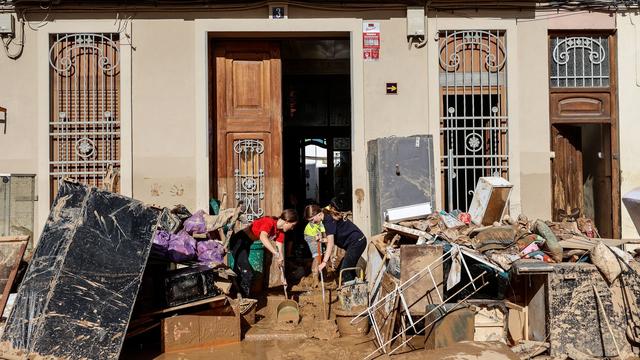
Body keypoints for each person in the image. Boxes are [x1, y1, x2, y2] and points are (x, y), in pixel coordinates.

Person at [229, 209, 298, 297]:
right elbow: (263, 237)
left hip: (247, 243)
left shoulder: (280, 232)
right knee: (247, 273)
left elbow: (279, 249)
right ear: (287, 221)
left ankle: (241, 297)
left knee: (245, 272)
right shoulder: (269, 222)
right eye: (292, 225)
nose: (292, 228)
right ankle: (243, 300)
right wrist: (275, 253)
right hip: (239, 241)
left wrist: (281, 265)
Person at [304, 204, 366, 283]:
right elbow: (332, 238)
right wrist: (322, 239)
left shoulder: (328, 221)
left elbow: (331, 243)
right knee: (347, 269)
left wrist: (324, 262)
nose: (312, 222)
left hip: (357, 242)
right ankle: (355, 287)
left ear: (319, 214)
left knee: (345, 270)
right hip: (354, 243)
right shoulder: (326, 217)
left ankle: (352, 292)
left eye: (312, 220)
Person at [303, 213, 326, 287]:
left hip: (316, 235)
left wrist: (322, 238)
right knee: (317, 256)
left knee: (320, 255)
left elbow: (323, 233)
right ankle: (315, 279)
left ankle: (320, 277)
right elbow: (323, 233)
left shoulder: (322, 221)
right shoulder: (317, 219)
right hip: (310, 235)